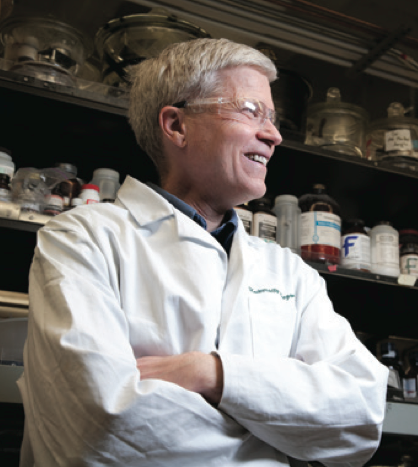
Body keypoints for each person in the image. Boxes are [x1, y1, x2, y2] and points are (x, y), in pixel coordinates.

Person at [18, 37, 388, 467]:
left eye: (273, 118)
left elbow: (361, 415)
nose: (273, 135)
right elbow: (101, 426)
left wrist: (210, 374)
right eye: (251, 112)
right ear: (176, 125)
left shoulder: (290, 274)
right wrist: (273, 433)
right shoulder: (82, 238)